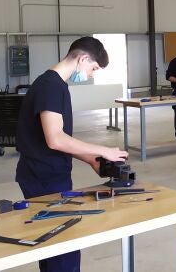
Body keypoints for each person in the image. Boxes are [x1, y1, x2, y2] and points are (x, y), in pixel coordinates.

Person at [15, 37, 128, 272]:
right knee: (63, 247)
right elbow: (55, 139)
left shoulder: (54, 84)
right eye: (93, 68)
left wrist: (90, 159)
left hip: (45, 173)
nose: (91, 75)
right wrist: (103, 150)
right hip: (43, 177)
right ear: (83, 58)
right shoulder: (51, 87)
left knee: (51, 244)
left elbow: (58, 141)